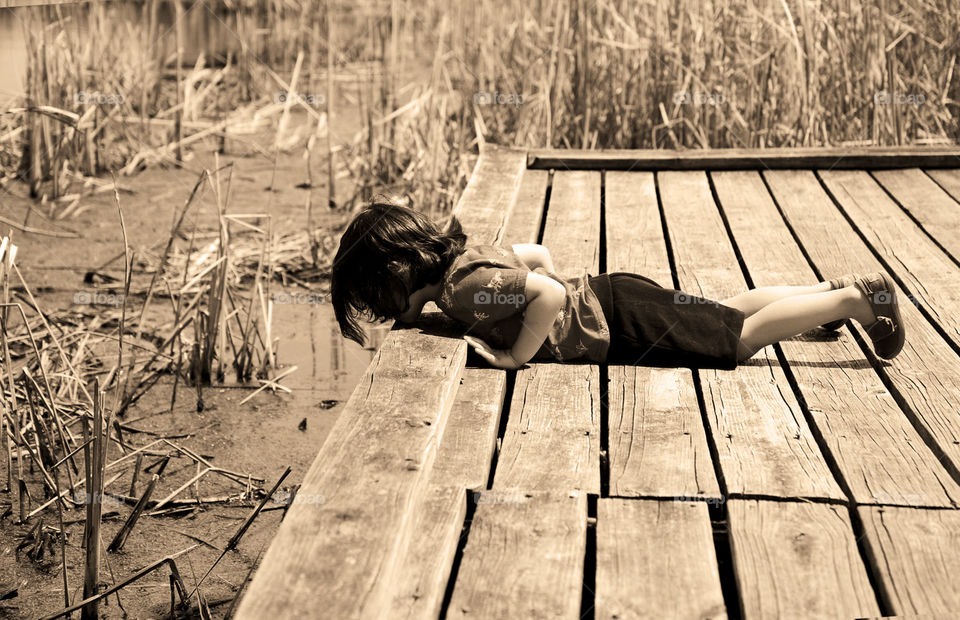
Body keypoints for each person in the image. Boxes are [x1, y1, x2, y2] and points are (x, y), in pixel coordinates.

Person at [331, 202, 905, 370]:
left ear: (397, 277)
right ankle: (824, 292)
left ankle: (856, 300)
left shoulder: (463, 293)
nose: (389, 318)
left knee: (739, 340)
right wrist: (558, 297)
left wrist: (514, 352)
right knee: (724, 309)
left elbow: (547, 296)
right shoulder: (468, 256)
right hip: (613, 293)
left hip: (619, 323)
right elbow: (536, 258)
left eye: (381, 306)